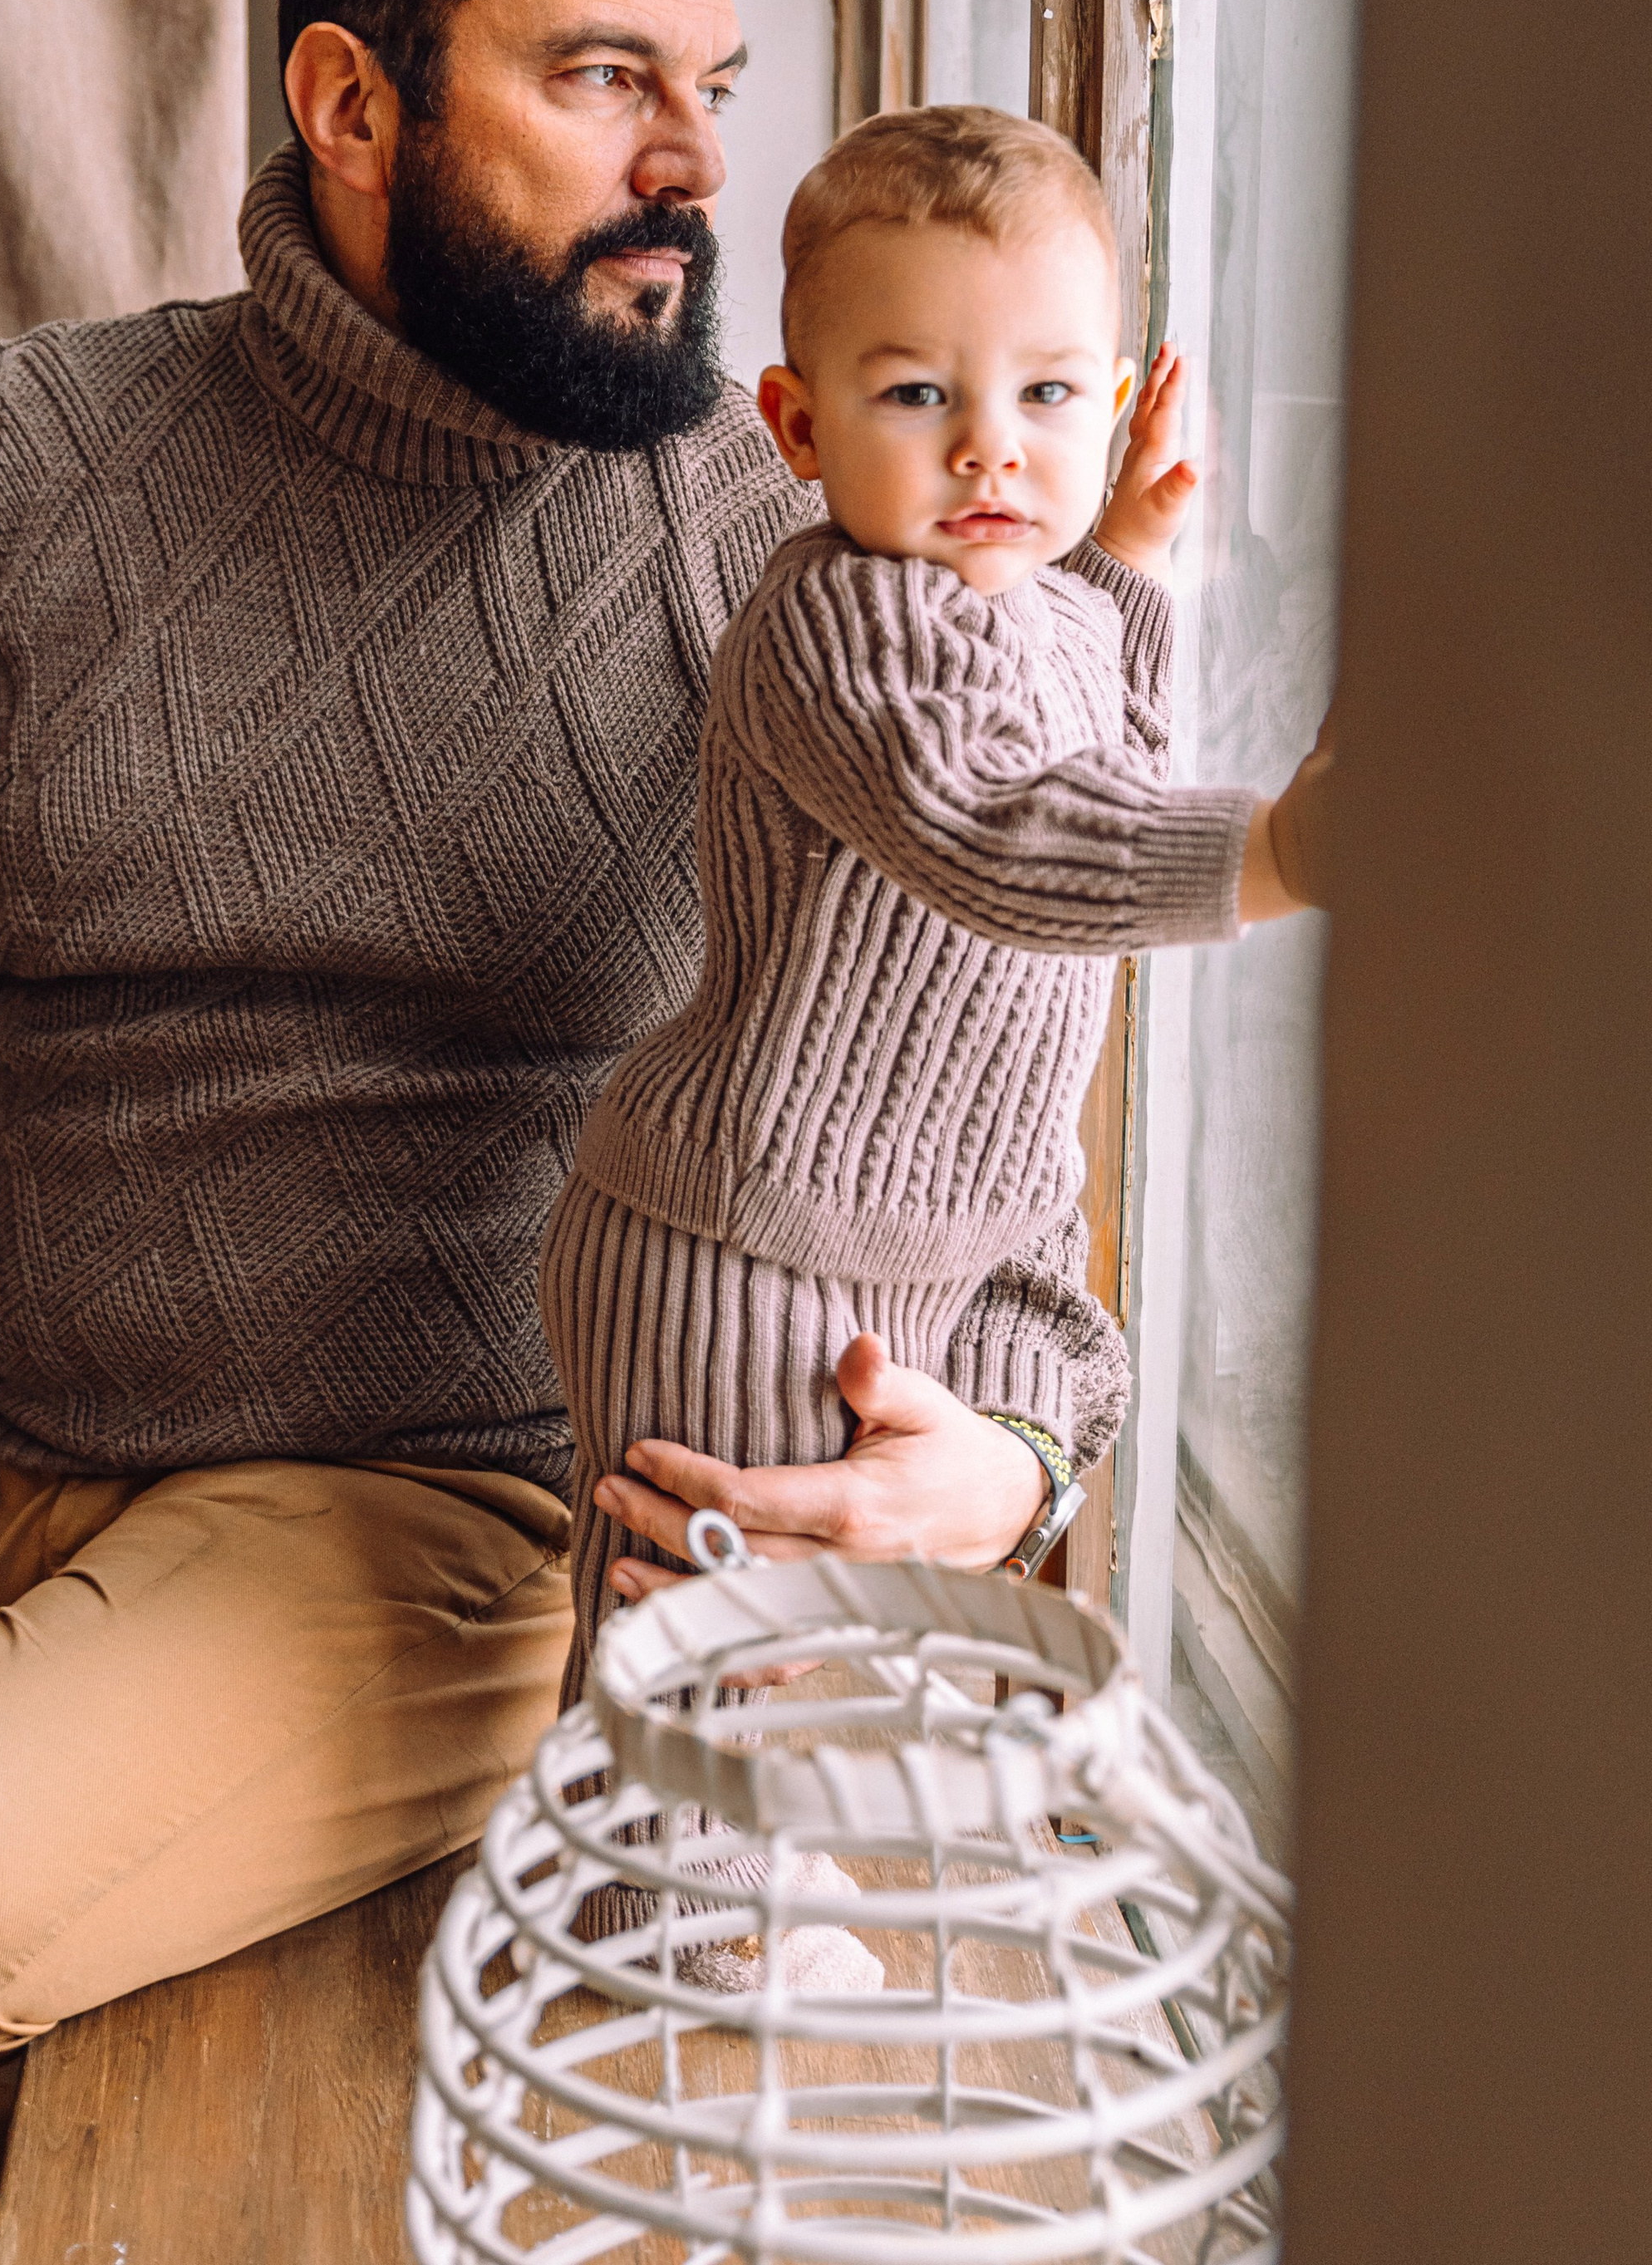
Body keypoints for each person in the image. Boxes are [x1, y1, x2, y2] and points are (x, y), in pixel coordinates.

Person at [0, 0, 1132, 2265]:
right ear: (351, 103)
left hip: (453, 1500)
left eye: (714, 85)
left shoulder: (789, 542)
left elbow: (997, 1049)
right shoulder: (24, 456)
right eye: (604, 79)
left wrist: (1009, 1452)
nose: (695, 164)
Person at [543, 105, 1332, 1702]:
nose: (991, 447)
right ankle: (655, 1871)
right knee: (699, 1702)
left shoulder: (1029, 603)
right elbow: (996, 827)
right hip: (746, 1248)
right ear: (797, 425)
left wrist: (1123, 560)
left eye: (1048, 394)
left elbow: (1086, 744)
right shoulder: (837, 620)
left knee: (823, 1687)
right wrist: (1280, 854)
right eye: (919, 394)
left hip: (923, 1246)